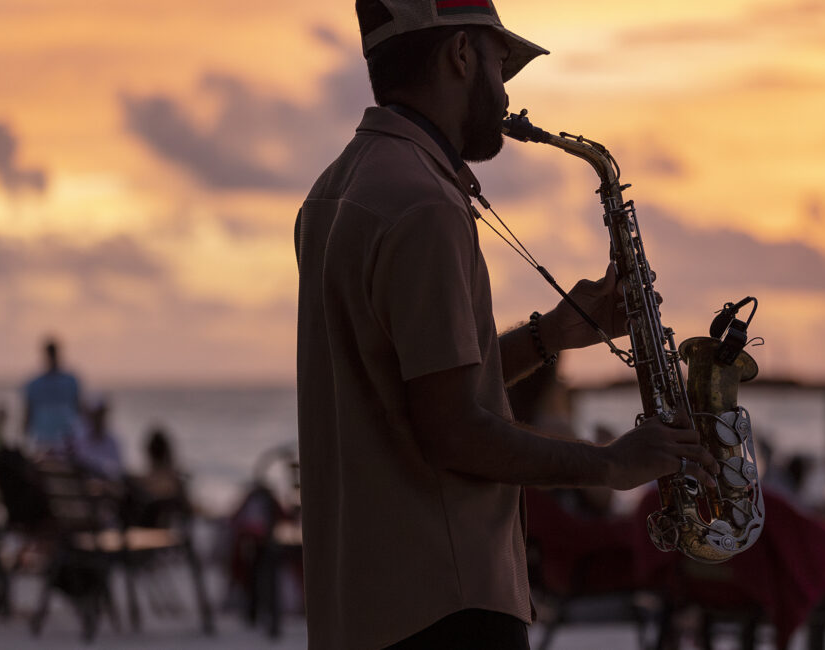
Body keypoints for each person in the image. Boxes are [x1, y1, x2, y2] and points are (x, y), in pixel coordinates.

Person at [294, 2, 717, 648]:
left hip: (358, 607)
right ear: (461, 54)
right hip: (448, 603)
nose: (506, 92)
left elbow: (417, 385)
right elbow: (454, 430)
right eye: (500, 64)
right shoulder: (426, 205)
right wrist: (612, 463)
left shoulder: (332, 194)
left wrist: (552, 334)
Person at [22, 337, 82, 452]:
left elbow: (78, 408)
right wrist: (25, 438)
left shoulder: (70, 381)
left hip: (67, 438)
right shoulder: (35, 383)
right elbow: (28, 411)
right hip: (42, 438)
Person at [71, 396, 125, 481]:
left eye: (101, 415)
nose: (99, 419)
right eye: (96, 415)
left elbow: (117, 470)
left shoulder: (112, 442)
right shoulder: (78, 441)